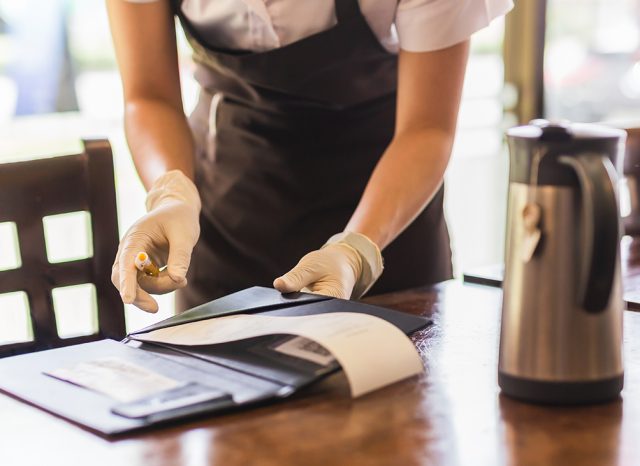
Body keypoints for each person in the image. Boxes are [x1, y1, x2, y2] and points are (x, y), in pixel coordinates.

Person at [108, 0, 513, 313]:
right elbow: (149, 97)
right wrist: (171, 193)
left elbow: (428, 128)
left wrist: (356, 250)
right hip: (225, 222)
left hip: (386, 223)